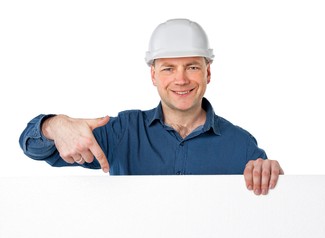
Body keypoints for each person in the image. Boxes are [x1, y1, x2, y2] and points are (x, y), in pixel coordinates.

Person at [19, 18, 283, 195]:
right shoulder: (123, 132)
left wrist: (273, 178)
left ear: (208, 73)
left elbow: (273, 212)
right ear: (154, 75)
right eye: (169, 68)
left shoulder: (242, 145)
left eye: (192, 67)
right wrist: (55, 126)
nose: (181, 79)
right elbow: (34, 147)